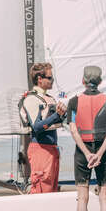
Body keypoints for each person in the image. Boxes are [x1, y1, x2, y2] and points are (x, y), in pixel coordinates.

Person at [67, 66, 106, 211]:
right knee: (105, 197)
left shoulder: (73, 101)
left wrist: (87, 153)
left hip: (83, 152)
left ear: (83, 81)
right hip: (104, 151)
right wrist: (100, 154)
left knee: (82, 198)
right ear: (101, 81)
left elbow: (73, 130)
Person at [19, 63, 66, 194]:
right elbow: (37, 127)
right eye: (50, 78)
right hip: (40, 150)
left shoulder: (50, 98)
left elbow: (57, 121)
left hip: (52, 150)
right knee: (41, 189)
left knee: (51, 189)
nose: (52, 81)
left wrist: (63, 115)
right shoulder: (31, 99)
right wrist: (57, 115)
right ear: (40, 79)